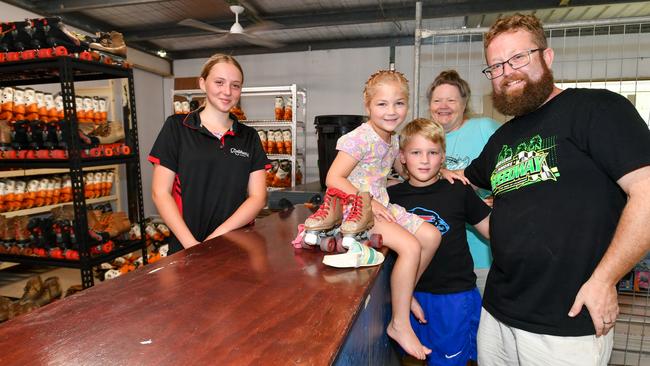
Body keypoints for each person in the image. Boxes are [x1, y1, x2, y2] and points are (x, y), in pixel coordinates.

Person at [458, 13, 650, 365]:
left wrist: (605, 280)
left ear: (547, 57)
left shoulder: (597, 109)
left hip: (567, 320)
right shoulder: (502, 137)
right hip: (498, 311)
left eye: (518, 58)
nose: (506, 72)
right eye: (496, 66)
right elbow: (464, 179)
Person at [326, 70, 442, 360]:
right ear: (367, 106)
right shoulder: (359, 138)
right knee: (410, 245)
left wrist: (444, 170)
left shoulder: (390, 139)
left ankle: (404, 294)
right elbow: (334, 178)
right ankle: (399, 323)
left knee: (431, 235)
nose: (392, 111)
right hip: (357, 208)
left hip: (380, 203)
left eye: (399, 103)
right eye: (382, 104)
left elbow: (389, 173)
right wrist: (367, 201)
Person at [388, 118, 491, 365]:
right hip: (407, 296)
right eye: (416, 152)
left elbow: (491, 229)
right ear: (402, 157)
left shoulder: (458, 190)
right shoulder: (391, 197)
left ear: (443, 156)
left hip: (453, 295)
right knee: (409, 358)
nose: (425, 160)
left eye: (432, 153)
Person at [148, 54, 269, 255]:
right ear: (203, 83)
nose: (227, 92)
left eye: (235, 85)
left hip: (234, 244)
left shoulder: (249, 136)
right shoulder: (177, 128)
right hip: (186, 247)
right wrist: (192, 246)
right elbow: (160, 192)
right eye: (219, 82)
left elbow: (257, 197)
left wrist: (217, 238)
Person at [427, 69, 500, 293]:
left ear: (464, 102)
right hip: (440, 257)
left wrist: (502, 200)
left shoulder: (484, 128)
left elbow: (511, 168)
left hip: (483, 254)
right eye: (437, 100)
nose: (443, 106)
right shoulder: (425, 139)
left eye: (451, 100)